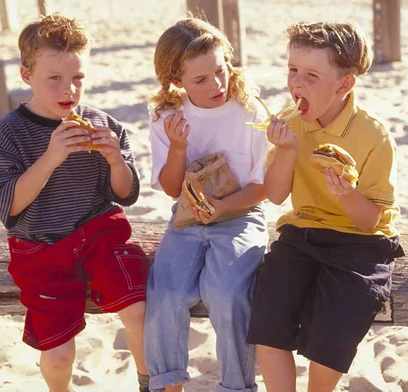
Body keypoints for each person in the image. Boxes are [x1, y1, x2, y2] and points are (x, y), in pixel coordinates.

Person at [0, 14, 150, 392]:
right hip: (39, 246)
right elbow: (8, 207)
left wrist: (114, 160)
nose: (69, 90)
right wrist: (51, 156)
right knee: (58, 355)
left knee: (138, 309)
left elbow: (126, 193)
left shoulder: (103, 124)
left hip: (100, 235)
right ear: (27, 75)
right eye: (54, 78)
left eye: (78, 78)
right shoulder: (7, 132)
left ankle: (148, 383)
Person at [246, 21, 404, 391]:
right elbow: (274, 194)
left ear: (344, 85)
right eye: (293, 70)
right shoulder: (289, 122)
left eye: (311, 75)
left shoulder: (374, 136)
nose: (297, 83)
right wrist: (286, 151)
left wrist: (347, 193)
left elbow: (370, 222)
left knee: (336, 327)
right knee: (268, 322)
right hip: (303, 232)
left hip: (362, 242)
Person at [144, 18, 270, 392]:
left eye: (221, 70)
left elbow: (261, 187)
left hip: (242, 215)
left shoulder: (250, 113)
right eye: (200, 80)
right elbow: (170, 189)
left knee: (227, 293)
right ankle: (168, 384)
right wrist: (179, 147)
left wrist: (223, 206)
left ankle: (236, 386)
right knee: (166, 293)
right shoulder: (166, 117)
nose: (216, 84)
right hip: (187, 218)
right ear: (176, 81)